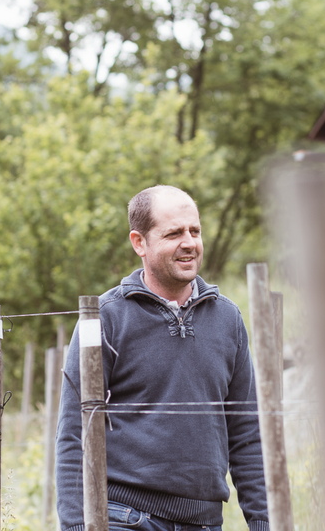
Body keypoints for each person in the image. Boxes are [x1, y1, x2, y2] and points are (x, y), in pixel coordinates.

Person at [56, 185, 269, 531]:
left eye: (195, 231)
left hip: (204, 522)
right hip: (124, 517)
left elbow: (247, 434)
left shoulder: (228, 320)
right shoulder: (105, 319)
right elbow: (73, 434)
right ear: (139, 242)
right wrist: (77, 526)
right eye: (174, 233)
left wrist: (262, 522)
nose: (189, 243)